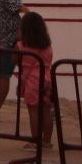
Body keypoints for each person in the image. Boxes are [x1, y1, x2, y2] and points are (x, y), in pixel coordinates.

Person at [20, 12, 56, 151]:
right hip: (47, 78)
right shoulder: (47, 46)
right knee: (47, 111)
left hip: (32, 81)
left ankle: (35, 141)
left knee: (33, 111)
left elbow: (15, 59)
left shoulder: (22, 45)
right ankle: (46, 141)